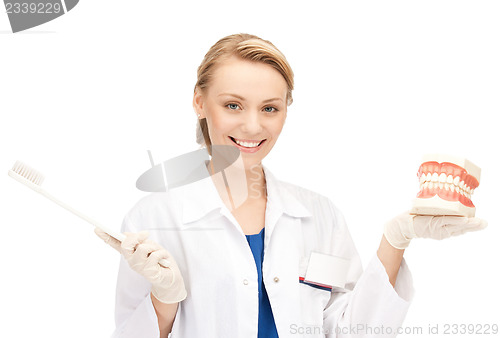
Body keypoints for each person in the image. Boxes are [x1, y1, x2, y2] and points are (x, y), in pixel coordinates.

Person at [95, 33, 487, 338]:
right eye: (233, 105)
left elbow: (354, 331)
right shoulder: (154, 218)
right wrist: (164, 301)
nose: (253, 126)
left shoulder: (318, 214)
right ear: (199, 102)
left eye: (270, 108)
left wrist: (395, 239)